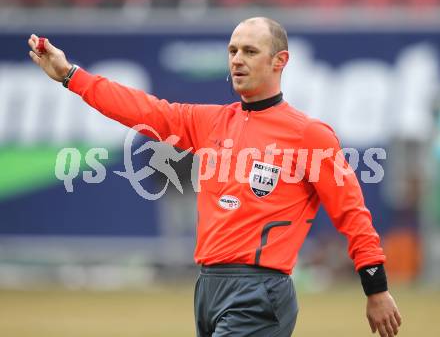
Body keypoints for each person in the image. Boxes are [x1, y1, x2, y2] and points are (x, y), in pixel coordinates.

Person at [28, 17, 402, 337]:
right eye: (233, 50)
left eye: (250, 52)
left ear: (280, 61)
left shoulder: (311, 135)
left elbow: (352, 214)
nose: (237, 59)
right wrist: (70, 76)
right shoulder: (208, 122)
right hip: (207, 286)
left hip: (259, 292)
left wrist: (376, 288)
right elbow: (141, 108)